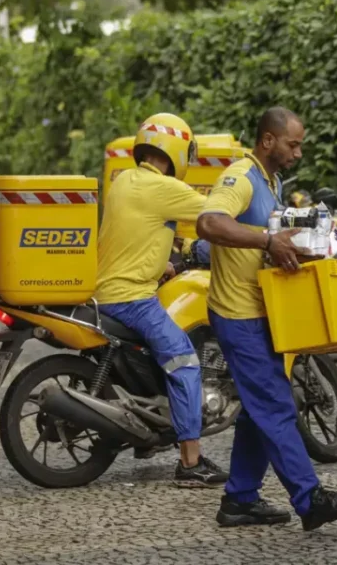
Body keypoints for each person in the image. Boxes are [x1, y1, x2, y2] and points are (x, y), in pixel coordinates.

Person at [196, 106, 337, 531]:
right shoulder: (241, 177)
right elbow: (209, 223)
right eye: (293, 144)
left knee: (258, 409)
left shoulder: (273, 182)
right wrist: (269, 240)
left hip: (262, 311)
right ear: (268, 140)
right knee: (274, 403)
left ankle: (239, 499)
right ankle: (310, 500)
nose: (299, 152)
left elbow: (267, 241)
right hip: (238, 314)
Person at [94, 112, 229, 487]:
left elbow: (142, 232)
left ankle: (149, 433)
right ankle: (191, 463)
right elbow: (217, 215)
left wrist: (166, 262)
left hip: (107, 291)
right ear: (176, 149)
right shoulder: (162, 188)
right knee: (185, 363)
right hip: (131, 298)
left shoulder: (124, 182)